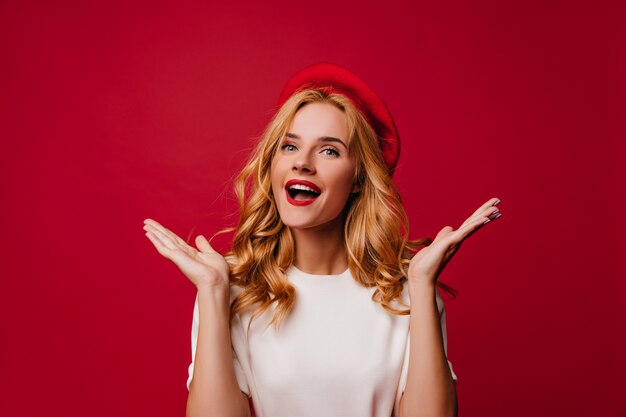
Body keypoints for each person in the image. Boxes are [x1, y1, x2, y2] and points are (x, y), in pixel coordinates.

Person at [143, 63, 502, 417]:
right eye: (289, 147)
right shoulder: (233, 288)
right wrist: (212, 290)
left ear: (359, 178)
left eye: (329, 150)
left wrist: (422, 286)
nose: (302, 163)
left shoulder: (407, 293)